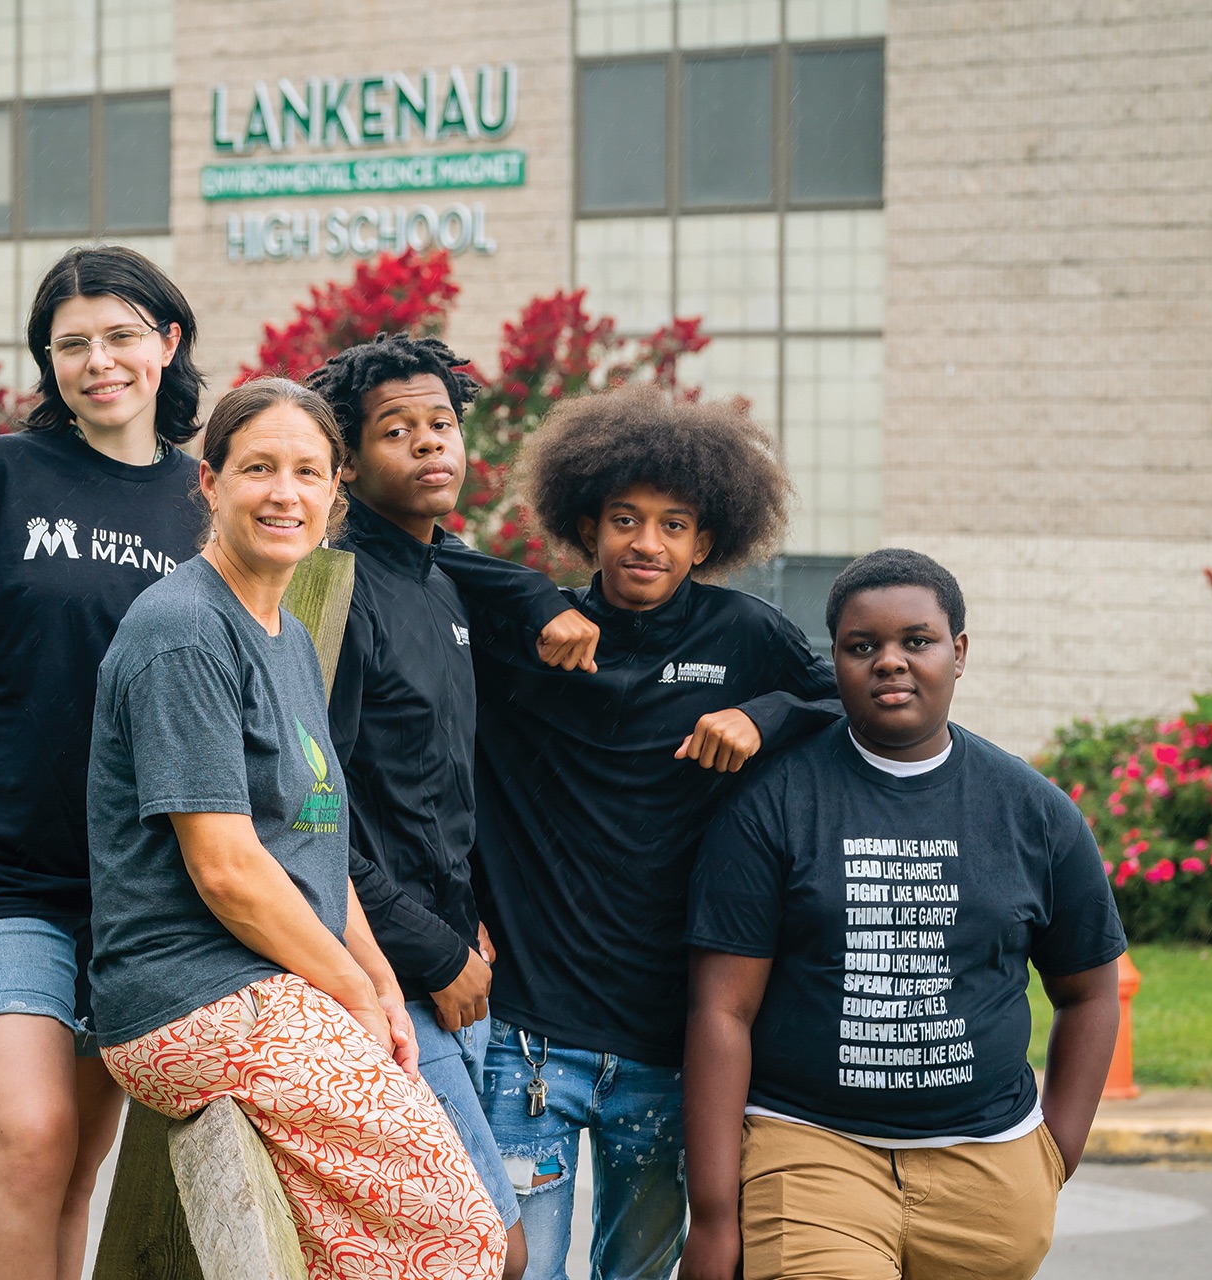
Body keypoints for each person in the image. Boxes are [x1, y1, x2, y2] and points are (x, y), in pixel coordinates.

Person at [88, 378, 507, 1279]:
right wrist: (350, 994)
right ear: (210, 483)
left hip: (273, 988)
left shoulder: (282, 633)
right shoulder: (184, 631)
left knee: (355, 1252)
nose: (285, 493)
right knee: (462, 1234)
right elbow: (229, 870)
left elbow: (314, 844)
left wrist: (380, 984)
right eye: (258, 469)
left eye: (308, 472)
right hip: (195, 997)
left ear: (334, 493)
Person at [458, 388, 840, 1280]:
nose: (647, 543)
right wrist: (530, 596)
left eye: (674, 526)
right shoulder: (527, 633)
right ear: (587, 526)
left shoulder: (745, 636)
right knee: (513, 1269)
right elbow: (408, 550)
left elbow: (844, 702)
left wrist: (763, 714)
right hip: (529, 1039)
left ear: (705, 543)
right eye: (625, 519)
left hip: (670, 1049)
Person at [681, 549, 1124, 1280]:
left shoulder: (1033, 811)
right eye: (862, 646)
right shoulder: (774, 804)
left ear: (959, 653)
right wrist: (713, 1215)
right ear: (835, 661)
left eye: (917, 641)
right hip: (812, 1150)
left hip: (988, 1169)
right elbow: (722, 1011)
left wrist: (1054, 1153)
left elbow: (1090, 991)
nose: (890, 661)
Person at [0, 244, 205, 1279]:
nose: (99, 361)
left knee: (78, 1161)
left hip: (139, 890)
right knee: (30, 1136)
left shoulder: (206, 503)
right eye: (71, 344)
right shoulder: (0, 476)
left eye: (121, 336)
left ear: (168, 343)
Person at [307, 333, 544, 1279]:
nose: (429, 443)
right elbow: (314, 814)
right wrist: (432, 951)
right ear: (349, 461)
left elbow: (443, 787)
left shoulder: (445, 580)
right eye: (396, 430)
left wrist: (467, 923)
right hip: (390, 974)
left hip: (461, 965)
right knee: (493, 1248)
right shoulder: (334, 588)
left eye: (440, 424)